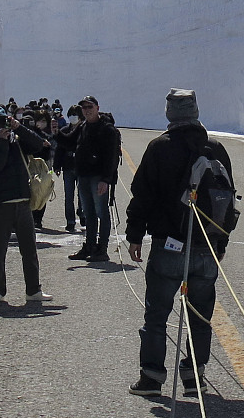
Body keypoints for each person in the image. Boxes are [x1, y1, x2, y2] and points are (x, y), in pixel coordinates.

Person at [125, 89, 235, 398]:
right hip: (206, 247)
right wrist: (221, 241)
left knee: (157, 314)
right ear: (196, 111)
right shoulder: (216, 149)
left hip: (168, 244)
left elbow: (142, 196)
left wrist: (135, 235)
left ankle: (151, 378)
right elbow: (226, 199)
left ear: (169, 113)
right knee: (199, 315)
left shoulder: (159, 148)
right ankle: (193, 377)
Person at [0, 106, 52, 304]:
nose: (3, 129)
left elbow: (39, 145)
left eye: (5, 124)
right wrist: (1, 142)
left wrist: (19, 129)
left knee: (29, 250)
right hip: (0, 204)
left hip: (22, 203)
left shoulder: (15, 142)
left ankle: (33, 290)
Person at [69, 95, 121, 263]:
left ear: (97, 108)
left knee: (101, 212)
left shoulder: (107, 129)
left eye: (90, 107)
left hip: (98, 177)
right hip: (83, 176)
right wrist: (53, 135)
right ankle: (90, 245)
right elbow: (68, 141)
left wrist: (105, 179)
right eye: (84, 108)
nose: (87, 110)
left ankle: (102, 248)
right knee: (88, 213)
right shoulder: (83, 126)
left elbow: (111, 157)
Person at [53, 104, 82, 232]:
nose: (73, 118)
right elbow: (59, 149)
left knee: (83, 195)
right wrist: (57, 165)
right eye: (71, 115)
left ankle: (82, 214)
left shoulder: (84, 130)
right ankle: (70, 220)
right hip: (68, 166)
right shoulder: (64, 130)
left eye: (75, 115)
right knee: (68, 196)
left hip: (82, 168)